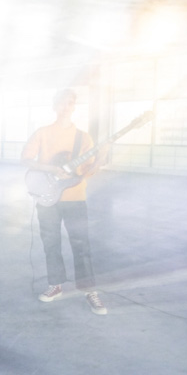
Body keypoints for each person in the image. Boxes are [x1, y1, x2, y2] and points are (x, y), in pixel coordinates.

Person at [21, 88, 108, 315]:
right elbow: (26, 159)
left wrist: (100, 159)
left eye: (70, 103)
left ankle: (90, 290)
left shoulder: (84, 138)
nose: (66, 107)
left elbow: (88, 171)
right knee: (50, 243)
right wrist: (51, 168)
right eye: (62, 103)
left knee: (81, 245)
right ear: (54, 106)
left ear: (74, 107)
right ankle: (55, 285)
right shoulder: (42, 132)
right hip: (47, 197)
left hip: (75, 197)